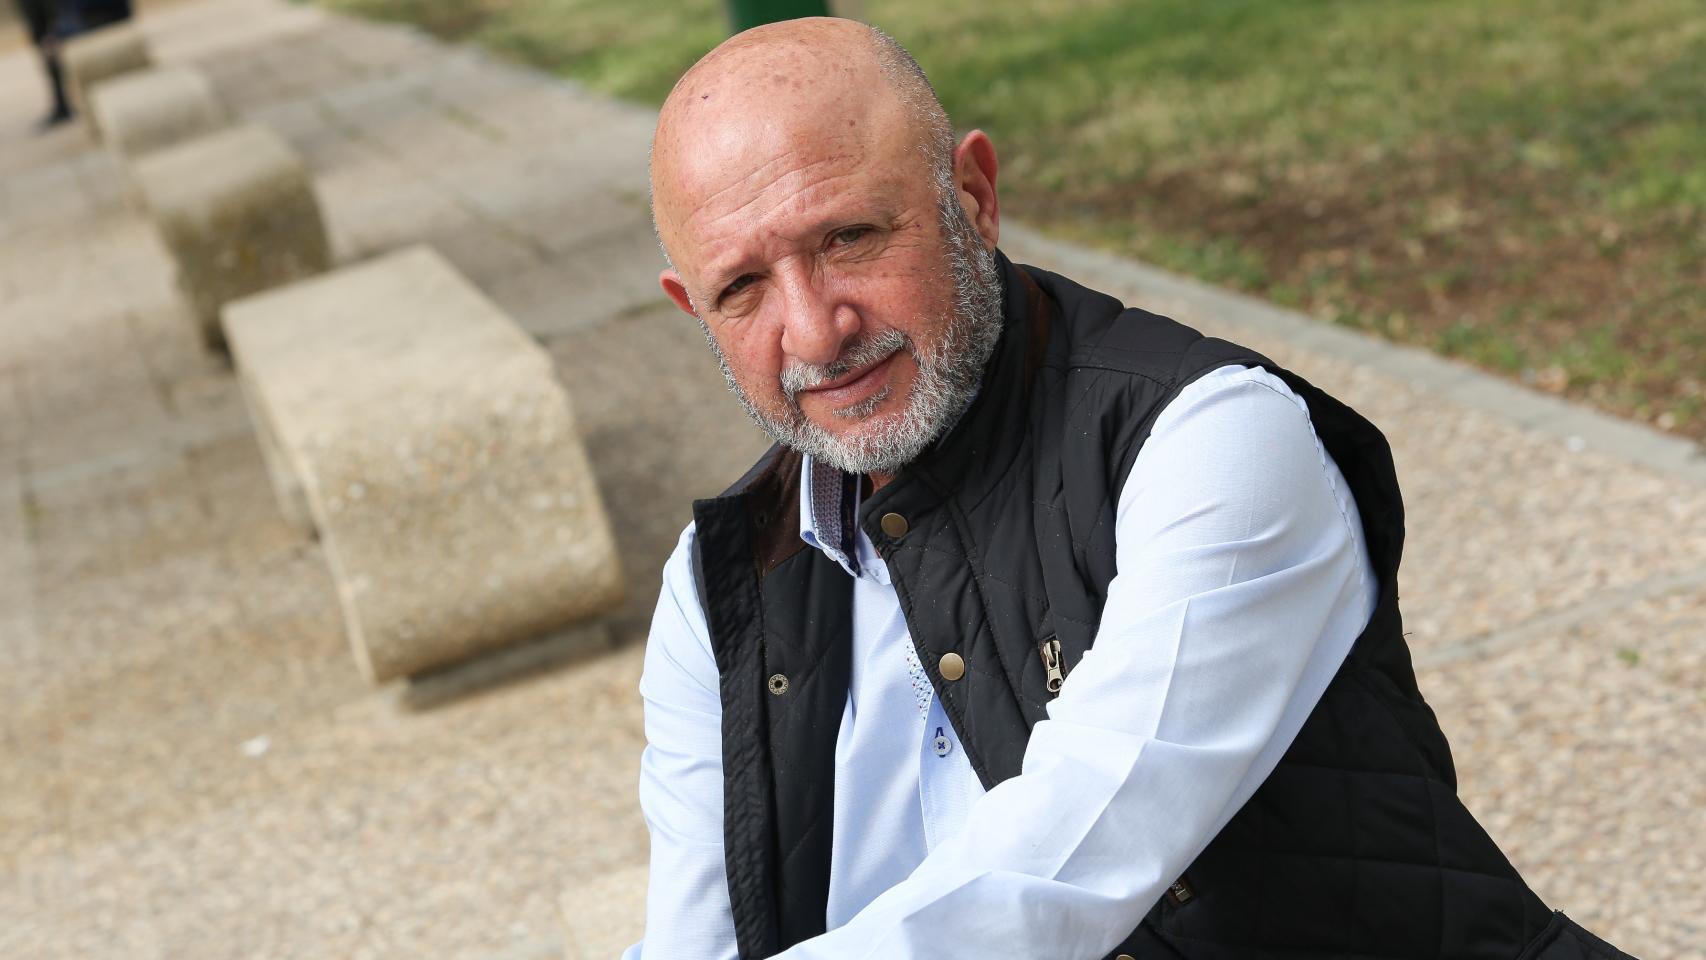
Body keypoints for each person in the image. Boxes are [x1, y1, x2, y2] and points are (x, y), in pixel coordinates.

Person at [630, 17, 1628, 959]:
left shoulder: (1209, 439)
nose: (815, 331)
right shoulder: (717, 582)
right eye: (742, 289)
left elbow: (1064, 867)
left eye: (849, 237)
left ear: (972, 195)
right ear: (692, 310)